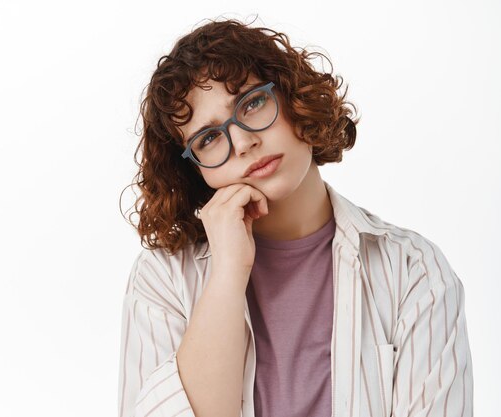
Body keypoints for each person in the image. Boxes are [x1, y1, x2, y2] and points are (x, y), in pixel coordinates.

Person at [117, 17, 473, 417]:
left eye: (252, 103)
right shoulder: (163, 279)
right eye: (209, 138)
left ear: (293, 97)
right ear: (194, 169)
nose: (244, 142)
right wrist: (228, 272)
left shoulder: (414, 270)